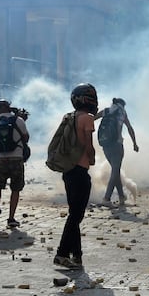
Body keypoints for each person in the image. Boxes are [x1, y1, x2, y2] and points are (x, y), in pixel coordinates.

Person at [54, 83, 97, 269]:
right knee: (76, 216)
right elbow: (89, 145)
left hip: (68, 170)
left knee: (74, 214)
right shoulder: (87, 118)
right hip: (80, 171)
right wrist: (92, 158)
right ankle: (62, 253)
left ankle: (77, 255)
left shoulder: (68, 116)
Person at [0, 99, 29, 228]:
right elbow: (26, 138)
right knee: (15, 189)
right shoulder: (19, 121)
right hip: (16, 158)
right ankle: (11, 218)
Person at [95, 97, 138, 205]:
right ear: (122, 105)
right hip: (117, 145)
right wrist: (134, 143)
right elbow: (129, 128)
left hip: (105, 145)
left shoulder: (106, 111)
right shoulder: (122, 113)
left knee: (116, 170)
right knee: (115, 171)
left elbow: (92, 118)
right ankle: (106, 198)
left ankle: (122, 196)